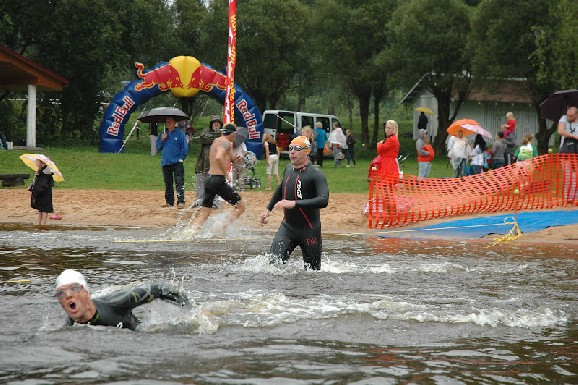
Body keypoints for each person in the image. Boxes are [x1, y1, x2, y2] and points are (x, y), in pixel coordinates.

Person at [260, 136, 329, 270]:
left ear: (307, 152)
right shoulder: (288, 169)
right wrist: (268, 209)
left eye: (297, 149)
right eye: (290, 148)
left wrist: (294, 204)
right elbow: (281, 189)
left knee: (313, 273)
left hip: (310, 230)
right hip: (287, 228)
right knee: (273, 268)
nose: (292, 152)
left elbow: (323, 200)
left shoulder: (316, 174)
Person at [54, 269, 190, 331]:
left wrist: (193, 309)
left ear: (86, 293)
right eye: (61, 293)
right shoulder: (70, 324)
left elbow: (159, 288)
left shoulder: (117, 303)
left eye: (74, 288)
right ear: (61, 304)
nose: (68, 295)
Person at [192, 124, 246, 232]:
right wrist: (225, 173)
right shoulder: (226, 143)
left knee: (204, 212)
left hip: (209, 179)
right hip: (218, 180)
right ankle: (219, 229)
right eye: (235, 134)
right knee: (240, 207)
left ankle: (191, 232)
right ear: (232, 133)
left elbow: (222, 157)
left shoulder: (217, 141)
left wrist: (234, 159)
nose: (235, 137)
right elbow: (219, 157)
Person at [157, 116, 189, 209]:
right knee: (168, 183)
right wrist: (162, 139)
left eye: (170, 121)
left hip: (177, 162)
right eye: (167, 121)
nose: (168, 123)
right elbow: (158, 146)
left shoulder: (180, 134)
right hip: (166, 162)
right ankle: (169, 202)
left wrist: (181, 158)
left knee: (179, 182)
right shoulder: (163, 134)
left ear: (175, 122)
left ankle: (181, 201)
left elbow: (185, 148)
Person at [194, 117, 223, 207]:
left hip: (216, 164)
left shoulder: (223, 133)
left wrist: (217, 138)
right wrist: (217, 138)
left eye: (218, 123)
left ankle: (215, 201)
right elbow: (204, 138)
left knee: (215, 182)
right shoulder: (205, 131)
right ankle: (199, 200)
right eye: (214, 122)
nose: (216, 124)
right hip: (203, 163)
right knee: (201, 181)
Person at [557, 107, 578, 203]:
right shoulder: (563, 118)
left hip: (576, 152)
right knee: (568, 175)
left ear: (576, 115)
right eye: (568, 115)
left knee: (576, 175)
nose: (569, 117)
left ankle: (576, 197)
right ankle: (568, 197)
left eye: (571, 116)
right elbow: (560, 131)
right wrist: (573, 135)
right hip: (566, 152)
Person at [28, 158, 54, 225]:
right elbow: (37, 182)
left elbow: (42, 185)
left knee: (44, 210)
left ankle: (43, 224)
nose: (36, 163)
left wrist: (36, 190)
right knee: (40, 210)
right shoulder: (40, 171)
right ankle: (39, 224)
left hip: (44, 194)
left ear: (42, 163)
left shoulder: (46, 172)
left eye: (37, 162)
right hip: (40, 194)